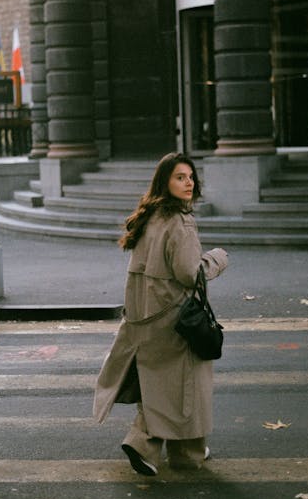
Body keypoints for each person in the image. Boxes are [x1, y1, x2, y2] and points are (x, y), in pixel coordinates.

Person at [93, 152, 228, 476]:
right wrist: (217, 259)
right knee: (187, 387)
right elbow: (188, 273)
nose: (188, 182)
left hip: (144, 319)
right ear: (165, 182)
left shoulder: (150, 216)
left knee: (163, 387)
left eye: (191, 177)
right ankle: (150, 445)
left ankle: (183, 452)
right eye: (179, 177)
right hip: (174, 322)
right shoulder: (181, 223)